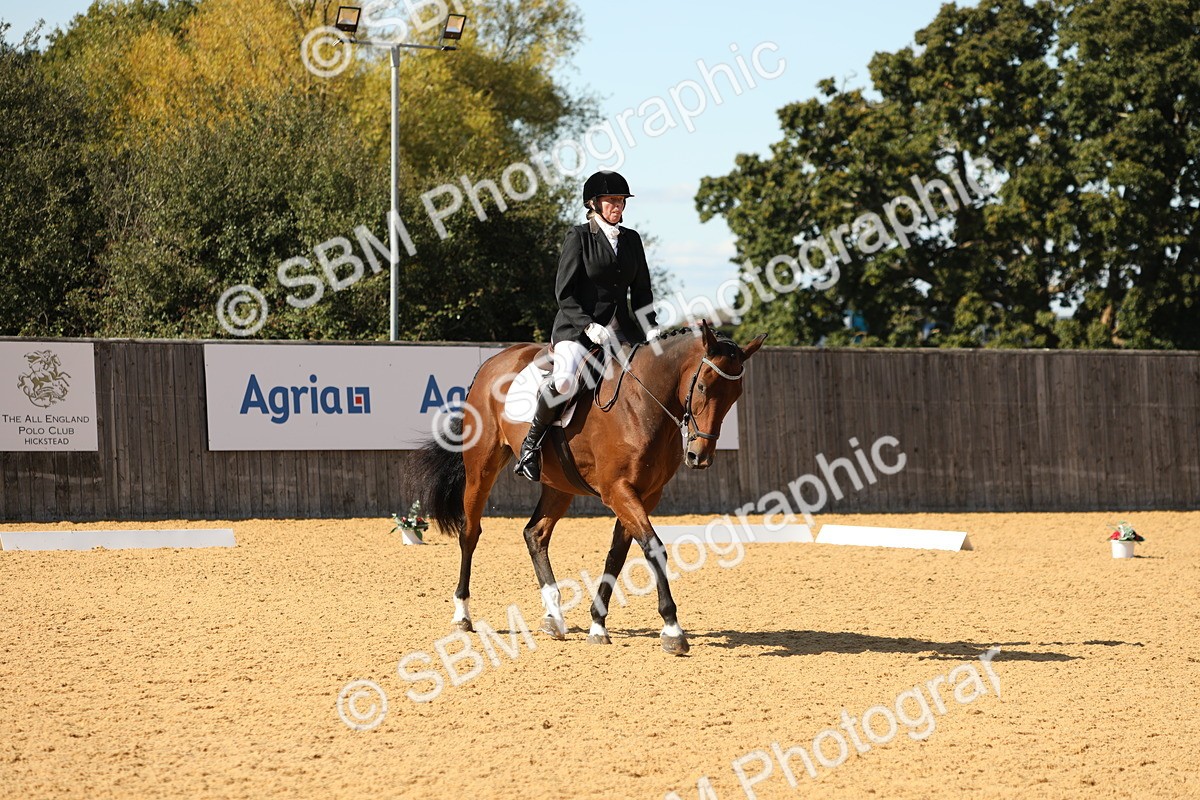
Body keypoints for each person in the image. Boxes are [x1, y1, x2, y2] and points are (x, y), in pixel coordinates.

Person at [513, 170, 660, 481]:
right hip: (576, 329)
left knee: (650, 376)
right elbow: (563, 292)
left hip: (622, 330)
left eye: (621, 201)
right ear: (593, 204)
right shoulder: (579, 237)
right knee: (565, 380)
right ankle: (530, 445)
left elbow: (642, 290)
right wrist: (587, 324)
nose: (618, 206)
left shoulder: (631, 240)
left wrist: (650, 326)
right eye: (611, 201)